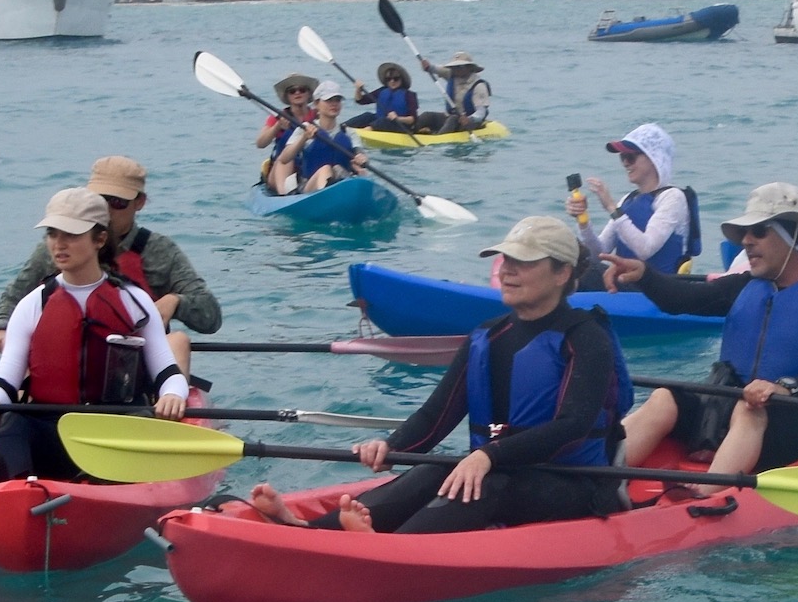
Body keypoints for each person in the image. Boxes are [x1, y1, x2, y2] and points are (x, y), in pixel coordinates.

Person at [246, 216, 633, 534]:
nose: (508, 271)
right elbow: (436, 417)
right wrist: (392, 446)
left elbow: (574, 426)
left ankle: (384, 550)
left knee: (486, 484)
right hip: (499, 466)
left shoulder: (585, 338)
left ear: (562, 272)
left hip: (573, 483)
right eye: (505, 260)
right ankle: (306, 529)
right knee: (437, 470)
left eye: (524, 262)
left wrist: (488, 454)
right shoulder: (487, 335)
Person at [601, 182, 798, 479]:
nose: (746, 241)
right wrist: (644, 275)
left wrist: (784, 386)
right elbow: (681, 299)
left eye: (759, 232)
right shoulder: (744, 286)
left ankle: (704, 499)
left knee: (749, 409)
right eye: (744, 233)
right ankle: (595, 476)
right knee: (665, 397)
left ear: (793, 234)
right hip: (734, 410)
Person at [0, 189, 188, 484]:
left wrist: (173, 394)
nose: (59, 244)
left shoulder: (134, 301)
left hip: (114, 426)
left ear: (99, 239)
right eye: (52, 234)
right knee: (15, 421)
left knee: (139, 423)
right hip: (50, 426)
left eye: (71, 235)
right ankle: (7, 484)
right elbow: (6, 378)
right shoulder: (34, 304)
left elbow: (167, 372)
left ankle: (105, 482)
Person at [0, 157, 222, 378]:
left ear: (139, 202)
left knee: (178, 340)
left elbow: (211, 318)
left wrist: (176, 302)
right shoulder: (56, 249)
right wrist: (2, 328)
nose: (106, 211)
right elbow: (11, 301)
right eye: (99, 200)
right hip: (65, 361)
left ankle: (167, 409)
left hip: (136, 368)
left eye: (117, 202)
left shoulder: (160, 251)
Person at [569, 122, 695, 284]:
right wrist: (583, 222)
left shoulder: (673, 198)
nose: (625, 163)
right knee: (580, 268)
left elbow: (645, 249)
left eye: (630, 157)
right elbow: (597, 254)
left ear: (653, 158)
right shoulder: (628, 200)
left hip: (661, 290)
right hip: (627, 285)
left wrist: (611, 207)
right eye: (622, 157)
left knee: (585, 275)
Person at [270, 82, 369, 193]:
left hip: (341, 183)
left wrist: (361, 158)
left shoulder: (348, 132)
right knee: (325, 170)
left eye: (337, 100)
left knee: (357, 173)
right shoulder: (305, 128)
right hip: (309, 187)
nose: (334, 104)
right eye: (329, 100)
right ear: (317, 104)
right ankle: (327, 196)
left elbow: (359, 153)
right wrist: (303, 138)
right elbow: (284, 159)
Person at [418, 51, 493, 133]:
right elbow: (434, 69)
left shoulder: (479, 86)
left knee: (453, 119)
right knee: (427, 115)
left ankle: (439, 138)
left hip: (468, 122)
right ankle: (410, 131)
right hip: (449, 117)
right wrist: (427, 66)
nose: (456, 69)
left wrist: (469, 119)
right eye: (454, 67)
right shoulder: (451, 74)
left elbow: (481, 112)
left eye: (460, 66)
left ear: (470, 67)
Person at [255, 71, 320, 158]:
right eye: (292, 91)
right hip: (284, 163)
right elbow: (260, 143)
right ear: (287, 96)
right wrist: (277, 126)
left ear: (309, 94)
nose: (297, 93)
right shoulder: (278, 117)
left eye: (302, 90)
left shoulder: (317, 114)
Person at [348, 62, 419, 131]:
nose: (392, 81)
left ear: (401, 79)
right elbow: (360, 100)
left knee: (384, 120)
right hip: (380, 122)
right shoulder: (381, 91)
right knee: (367, 115)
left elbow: (413, 119)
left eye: (396, 78)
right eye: (389, 79)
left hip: (400, 126)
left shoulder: (409, 95)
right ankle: (343, 128)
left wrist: (398, 118)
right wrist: (358, 89)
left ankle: (364, 132)